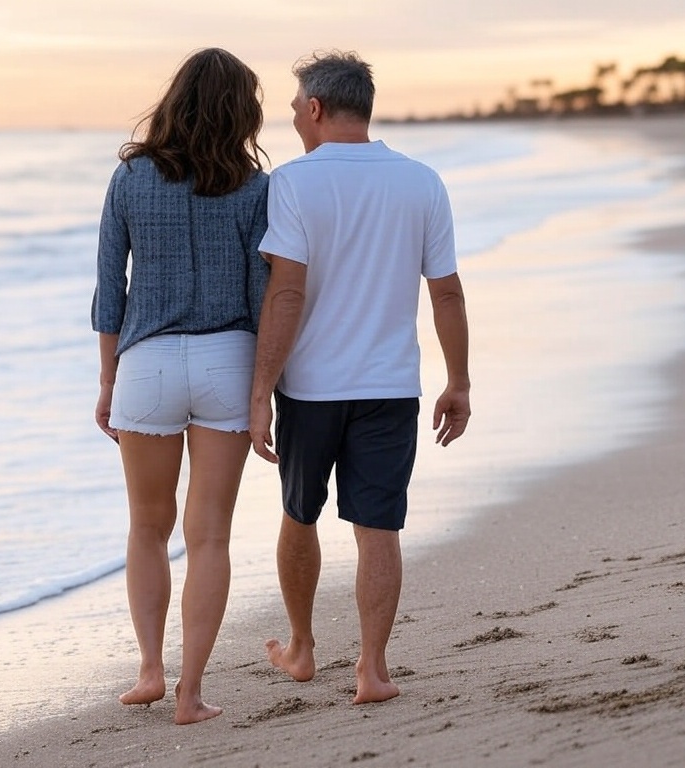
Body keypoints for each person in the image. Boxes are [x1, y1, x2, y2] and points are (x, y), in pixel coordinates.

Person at [249, 50, 471, 705]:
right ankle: (372, 670)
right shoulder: (421, 181)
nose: (291, 118)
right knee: (379, 525)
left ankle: (302, 648)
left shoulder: (291, 183)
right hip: (391, 386)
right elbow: (448, 294)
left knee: (299, 514)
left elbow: (285, 295)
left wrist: (260, 392)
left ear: (315, 108)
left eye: (294, 107)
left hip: (311, 389)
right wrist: (458, 381)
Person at [91, 47, 270, 725]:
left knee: (146, 527)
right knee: (210, 537)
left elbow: (111, 291)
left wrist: (108, 379)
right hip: (229, 359)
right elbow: (263, 297)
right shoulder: (254, 186)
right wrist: (264, 393)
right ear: (242, 110)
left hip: (147, 364)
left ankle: (148, 671)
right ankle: (190, 694)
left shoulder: (131, 178)